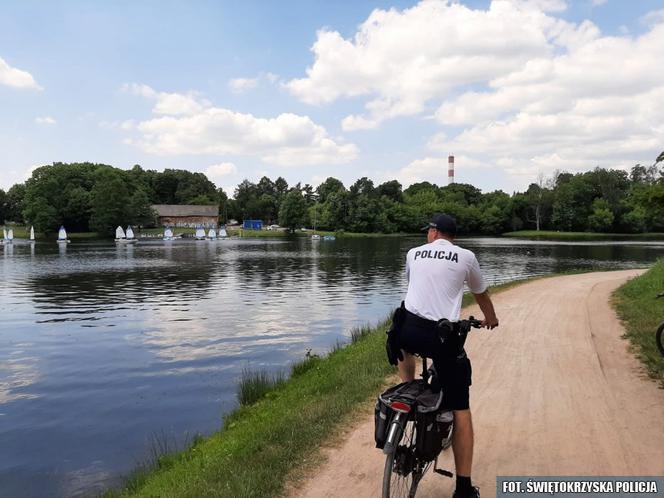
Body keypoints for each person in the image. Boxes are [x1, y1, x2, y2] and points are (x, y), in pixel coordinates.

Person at [396, 213, 498, 498]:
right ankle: (463, 489)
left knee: (401, 336)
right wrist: (491, 318)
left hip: (410, 331)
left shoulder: (413, 254)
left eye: (427, 230)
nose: (426, 234)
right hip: (441, 338)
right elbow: (481, 294)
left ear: (434, 232)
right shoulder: (466, 257)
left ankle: (408, 384)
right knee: (460, 407)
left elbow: (413, 288)